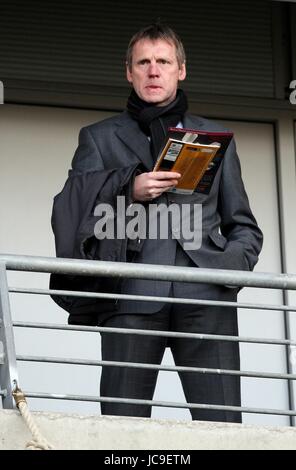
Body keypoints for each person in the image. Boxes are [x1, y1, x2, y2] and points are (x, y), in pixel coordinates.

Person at [51, 23, 263, 422]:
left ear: (180, 70)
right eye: (143, 62)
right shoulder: (98, 138)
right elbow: (72, 209)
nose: (153, 70)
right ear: (128, 72)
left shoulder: (215, 136)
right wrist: (127, 189)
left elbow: (244, 225)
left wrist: (228, 271)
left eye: (163, 61)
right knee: (122, 427)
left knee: (223, 430)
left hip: (205, 297)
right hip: (131, 295)